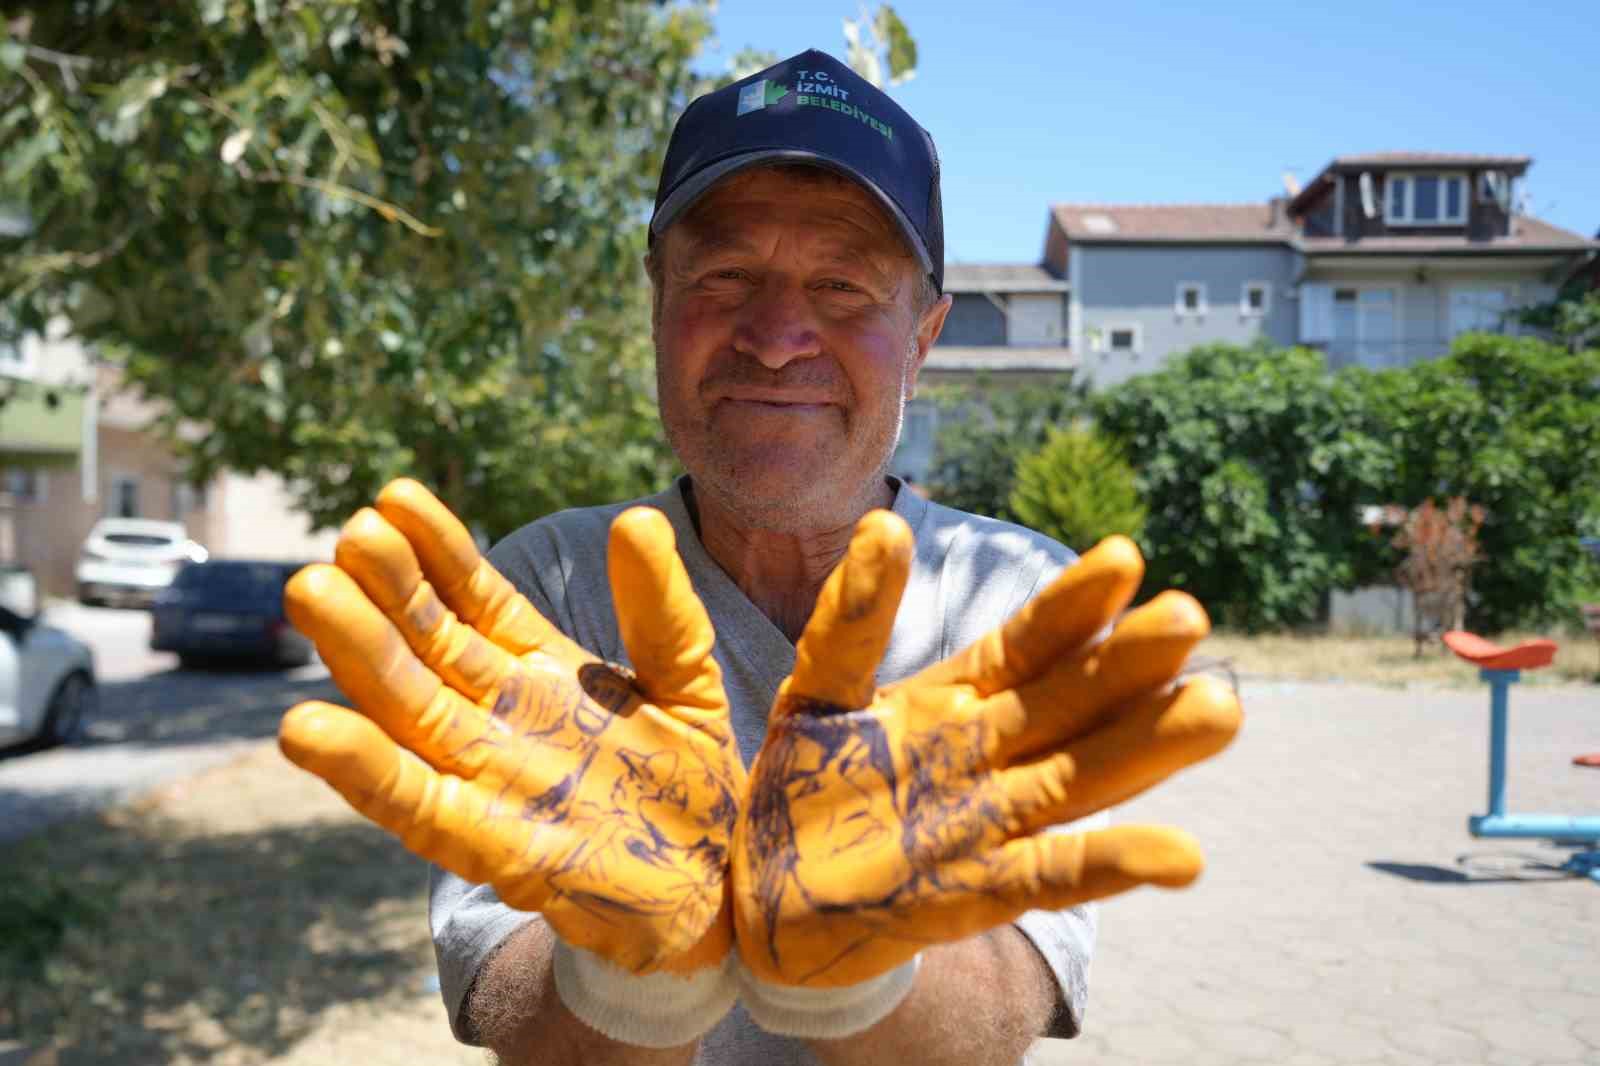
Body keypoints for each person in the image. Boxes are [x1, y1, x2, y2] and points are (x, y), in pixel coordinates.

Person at [277, 49, 1241, 1066]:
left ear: (922, 333)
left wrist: (856, 969)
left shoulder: (1015, 602)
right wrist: (635, 981)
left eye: (842, 285)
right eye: (727, 274)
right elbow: (502, 1002)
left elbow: (1005, 1011)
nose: (778, 337)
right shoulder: (543, 589)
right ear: (657, 296)